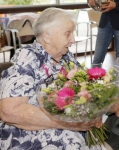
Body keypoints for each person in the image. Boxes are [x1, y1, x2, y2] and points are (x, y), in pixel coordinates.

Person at [0, 8, 102, 150]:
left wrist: (99, 105)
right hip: (28, 134)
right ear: (47, 36)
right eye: (68, 34)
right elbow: (9, 111)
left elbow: (88, 88)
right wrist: (68, 123)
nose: (73, 40)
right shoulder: (28, 57)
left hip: (67, 129)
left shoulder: (67, 57)